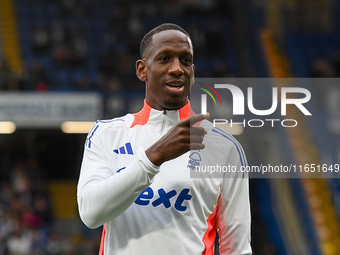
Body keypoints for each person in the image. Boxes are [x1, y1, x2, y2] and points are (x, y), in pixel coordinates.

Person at [77, 23, 251, 255]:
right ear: (142, 70)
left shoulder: (225, 147)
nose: (177, 68)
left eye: (185, 60)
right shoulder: (107, 134)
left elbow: (237, 248)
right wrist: (153, 158)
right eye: (164, 59)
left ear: (193, 71)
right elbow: (91, 214)